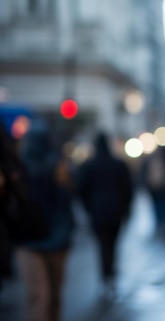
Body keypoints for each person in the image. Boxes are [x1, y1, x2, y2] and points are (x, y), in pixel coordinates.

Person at [15, 119, 75, 321]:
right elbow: (66, 199)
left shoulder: (19, 166)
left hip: (32, 237)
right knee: (49, 297)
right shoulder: (56, 164)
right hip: (49, 237)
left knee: (41, 297)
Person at [76, 131, 135, 299]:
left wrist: (88, 208)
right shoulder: (118, 164)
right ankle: (111, 275)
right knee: (113, 244)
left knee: (103, 245)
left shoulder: (90, 165)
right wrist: (126, 209)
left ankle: (105, 275)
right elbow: (128, 189)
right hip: (115, 212)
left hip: (98, 212)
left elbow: (81, 190)